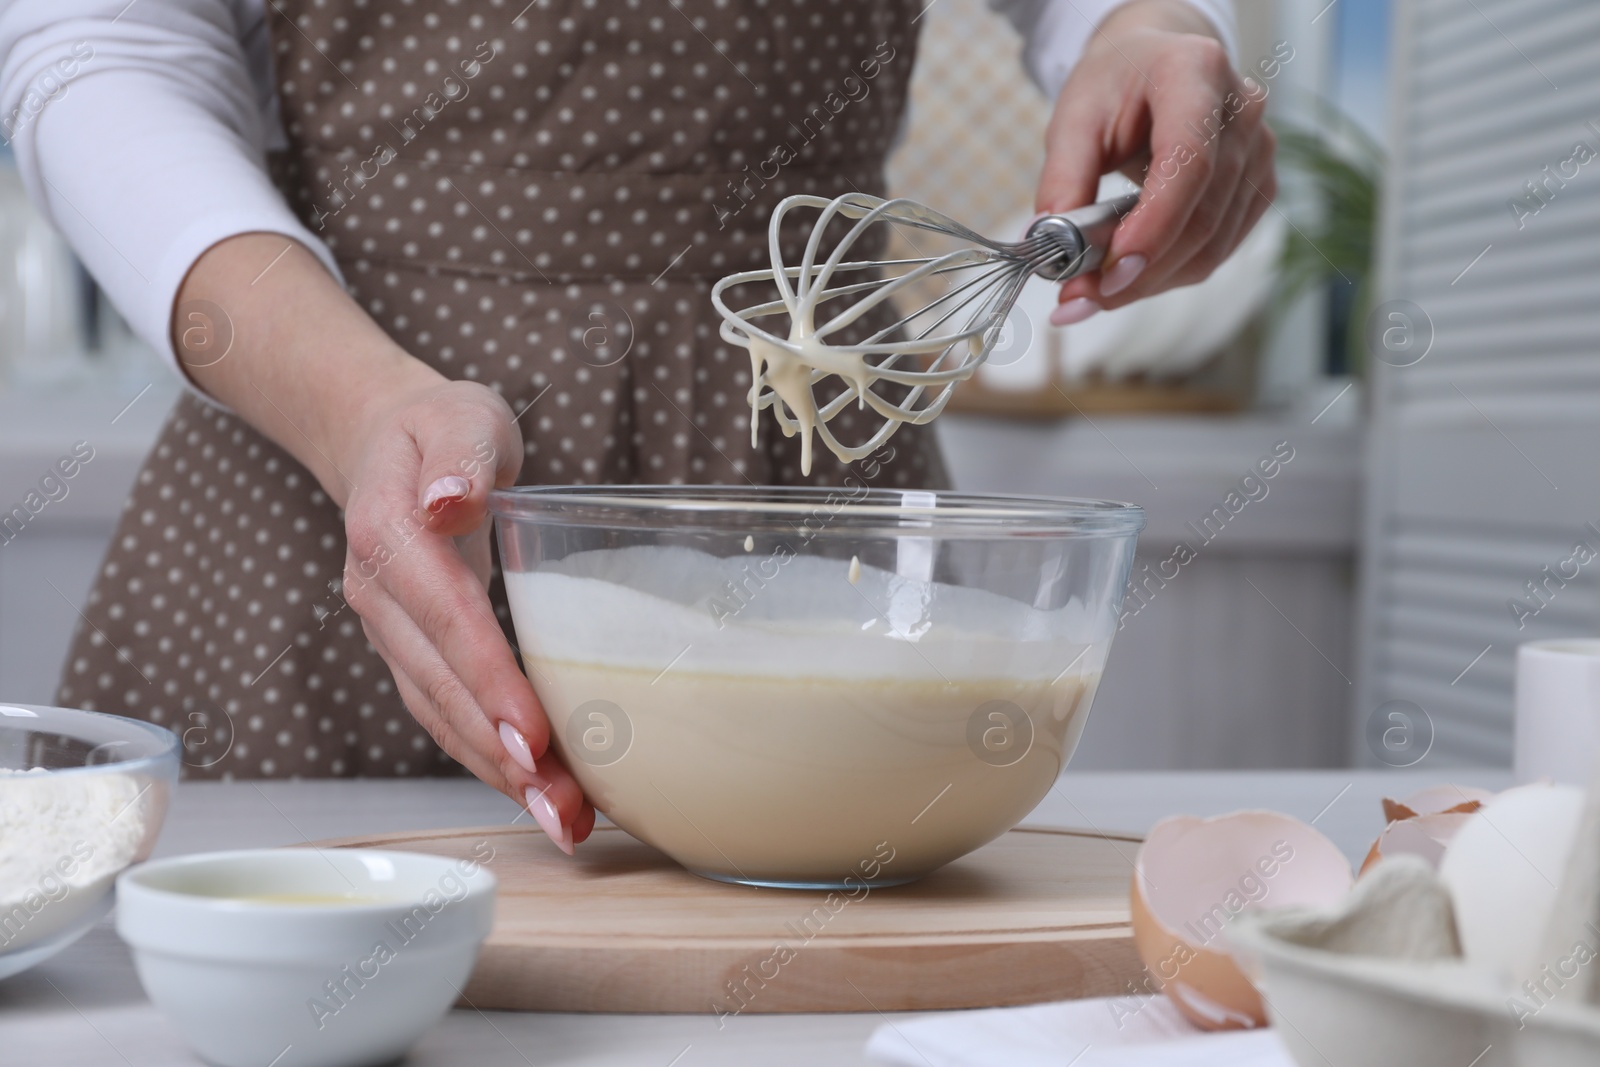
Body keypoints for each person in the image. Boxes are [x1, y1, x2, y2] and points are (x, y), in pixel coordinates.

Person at [0, 0, 1272, 854]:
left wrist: (1145, 25)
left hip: (808, 462)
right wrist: (361, 407)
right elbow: (92, 49)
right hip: (331, 469)